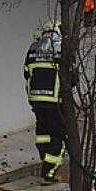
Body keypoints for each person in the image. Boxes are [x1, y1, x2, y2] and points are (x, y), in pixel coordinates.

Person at [24, 21, 67, 181]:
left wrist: (31, 96)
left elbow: (26, 73)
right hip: (54, 100)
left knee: (43, 133)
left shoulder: (33, 47)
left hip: (36, 99)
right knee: (58, 134)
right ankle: (50, 171)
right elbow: (71, 76)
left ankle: (45, 160)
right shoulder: (62, 48)